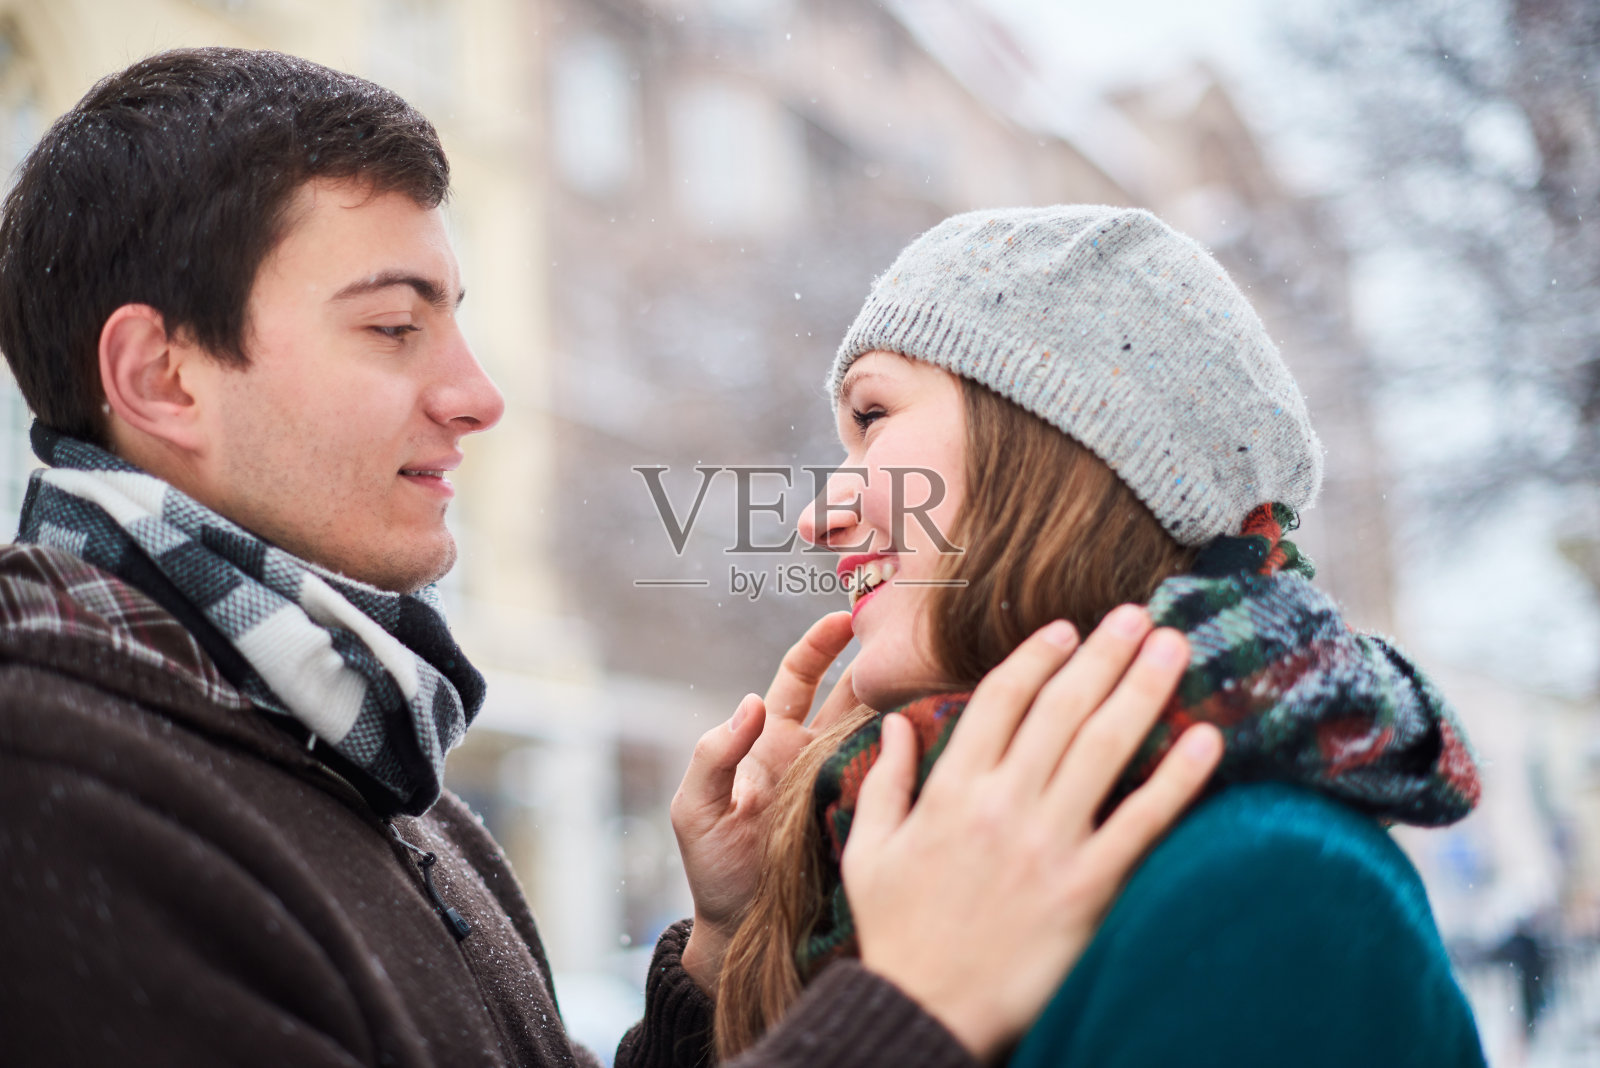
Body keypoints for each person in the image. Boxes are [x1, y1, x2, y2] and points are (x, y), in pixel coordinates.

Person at [0, 50, 1223, 1067]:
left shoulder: (369, 771)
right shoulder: (55, 786)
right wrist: (911, 1008)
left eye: (457, 323)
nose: (477, 395)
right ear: (160, 378)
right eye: (391, 328)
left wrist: (714, 953)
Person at [714, 205, 1491, 1066]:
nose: (818, 517)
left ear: (1061, 433)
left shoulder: (1267, 891)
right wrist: (732, 935)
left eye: (872, 419)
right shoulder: (900, 874)